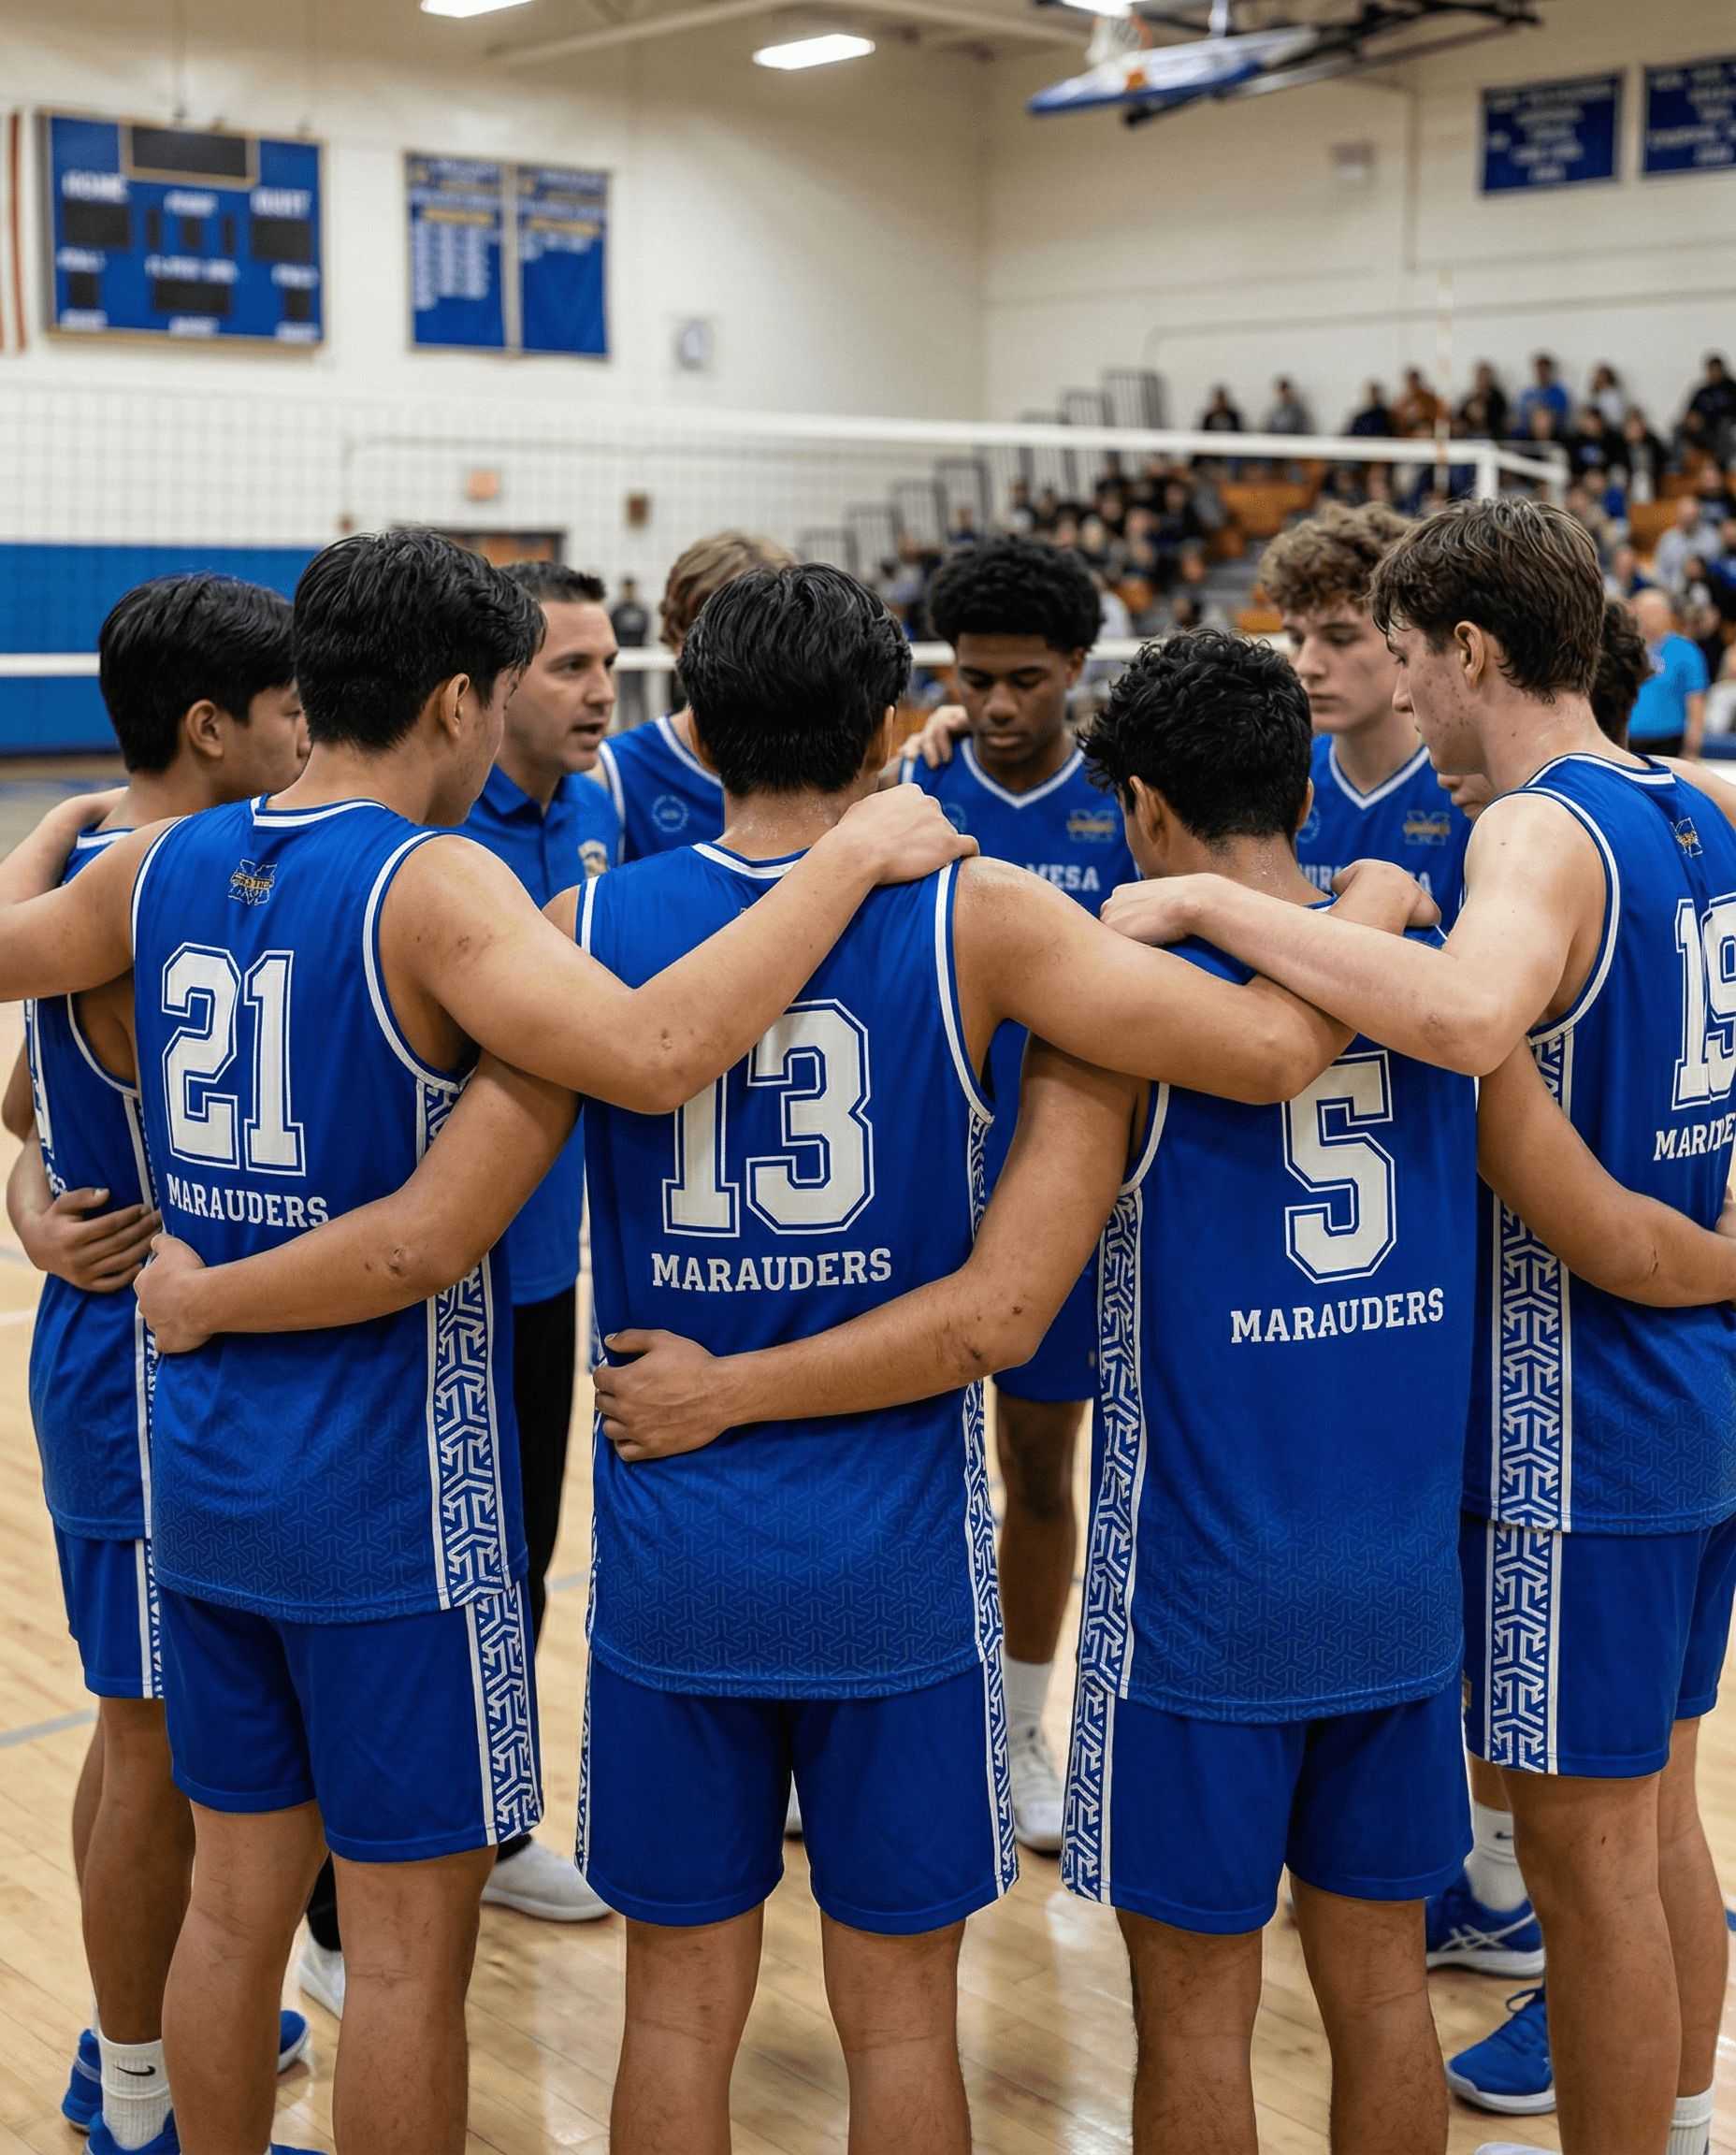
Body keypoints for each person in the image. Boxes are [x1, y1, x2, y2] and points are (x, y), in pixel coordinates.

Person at [132, 566, 1444, 2155]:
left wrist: (169, 1257)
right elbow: (1262, 1049)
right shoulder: (984, 915)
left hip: (671, 1548)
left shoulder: (586, 924)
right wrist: (1367, 895)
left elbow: (441, 1210)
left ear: (698, 723)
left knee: (677, 2009)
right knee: (900, 2020)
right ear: (895, 722)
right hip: (894, 1563)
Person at [583, 630, 1736, 2155]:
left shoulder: (1102, 1027)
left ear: (1139, 809)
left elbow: (1003, 1304)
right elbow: (1589, 1217)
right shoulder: (1446, 1005)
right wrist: (1379, 896)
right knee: (1386, 1991)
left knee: (1182, 2014)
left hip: (1188, 1603)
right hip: (1395, 1590)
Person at [0, 530, 974, 2155]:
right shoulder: (435, 877)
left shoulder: (160, 862)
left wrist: (47, 870)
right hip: (385, 1488)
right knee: (397, 1960)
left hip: (202, 1462)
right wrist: (850, 859)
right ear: (459, 697)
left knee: (237, 1908)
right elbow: (656, 1050)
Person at [1100, 498, 1736, 2155]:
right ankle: (1672, 2109)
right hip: (1688, 1404)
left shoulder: (1538, 828)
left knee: (1586, 1863)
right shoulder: (1701, 808)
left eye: (1393, 656)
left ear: (1460, 651)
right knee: (1653, 1816)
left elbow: (1462, 1018)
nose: (1389, 701)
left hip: (1578, 1412)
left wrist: (1220, 910)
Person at [0, 574, 313, 2155]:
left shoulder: (108, 864)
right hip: (137, 1359)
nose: (311, 737)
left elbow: (17, 1109)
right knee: (148, 1743)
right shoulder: (152, 881)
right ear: (214, 726)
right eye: (289, 711)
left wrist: (31, 1208)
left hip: (126, 1323)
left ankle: (184, 2015)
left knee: (166, 1731)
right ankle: (133, 2085)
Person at [296, 561, 622, 2015]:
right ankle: (335, 1890)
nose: (592, 692)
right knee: (387, 1601)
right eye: (557, 670)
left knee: (518, 1561)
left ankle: (489, 1828)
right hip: (400, 1285)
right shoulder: (421, 845)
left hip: (537, 1265)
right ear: (470, 698)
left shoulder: (602, 798)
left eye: (607, 664)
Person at [897, 539, 1140, 1852]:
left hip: (1089, 1208)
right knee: (918, 1470)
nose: (995, 705)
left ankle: (1028, 1723)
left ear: (1078, 673)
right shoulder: (911, 794)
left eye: (1025, 681)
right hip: (927, 1196)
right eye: (974, 679)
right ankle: (904, 1716)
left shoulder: (1129, 801)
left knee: (1052, 1472)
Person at [1260, 500, 1474, 926]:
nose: (1307, 666)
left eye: (1339, 638)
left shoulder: (1471, 792)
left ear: (1404, 639)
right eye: (1297, 638)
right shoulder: (1274, 783)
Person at [593, 530, 792, 858]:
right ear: (679, 637)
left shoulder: (826, 767)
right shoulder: (613, 773)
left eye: (768, 632)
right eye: (726, 633)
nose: (749, 654)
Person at [1628, 588, 1710, 759]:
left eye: (1650, 612)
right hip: (1628, 741)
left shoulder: (1686, 651)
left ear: (1666, 615)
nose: (1643, 618)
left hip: (1669, 742)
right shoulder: (1625, 650)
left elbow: (1696, 700)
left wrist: (1692, 747)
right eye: (1639, 612)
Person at [1653, 497, 1723, 598]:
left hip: (1707, 593)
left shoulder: (1711, 537)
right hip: (1673, 595)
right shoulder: (1668, 540)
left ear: (1699, 515)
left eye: (1693, 516)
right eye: (1686, 516)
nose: (1689, 520)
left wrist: (1701, 571)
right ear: (1678, 516)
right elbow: (1660, 574)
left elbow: (1718, 573)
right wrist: (1669, 594)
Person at [609, 573, 652, 730]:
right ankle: (625, 728)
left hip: (639, 661)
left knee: (640, 696)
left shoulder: (641, 610)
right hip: (622, 661)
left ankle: (643, 729)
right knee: (624, 697)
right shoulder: (616, 611)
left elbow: (645, 633)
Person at [1515, 354, 1570, 434]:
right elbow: (1520, 414)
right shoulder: (1527, 393)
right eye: (1538, 370)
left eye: (1544, 370)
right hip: (1529, 434)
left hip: (1553, 435)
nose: (1541, 373)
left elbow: (1562, 419)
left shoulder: (1560, 395)